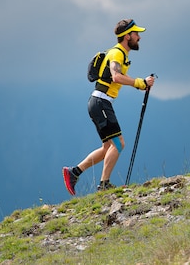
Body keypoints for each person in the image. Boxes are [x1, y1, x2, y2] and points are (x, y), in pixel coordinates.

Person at [63, 19, 155, 195]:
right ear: (127, 36)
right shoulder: (117, 54)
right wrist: (141, 83)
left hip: (99, 102)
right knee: (119, 144)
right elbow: (116, 77)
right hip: (101, 102)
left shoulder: (120, 54)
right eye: (136, 34)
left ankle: (73, 172)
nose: (139, 37)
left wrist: (141, 84)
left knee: (108, 147)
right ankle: (104, 185)